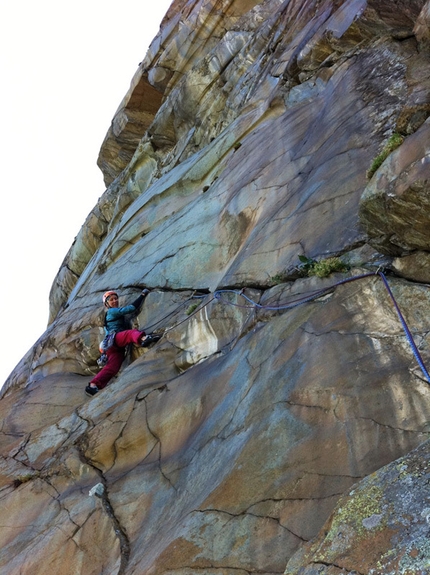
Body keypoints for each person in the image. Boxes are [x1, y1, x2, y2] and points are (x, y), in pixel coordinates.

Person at [85, 289, 160, 396]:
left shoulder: (109, 315)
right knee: (130, 334)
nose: (115, 301)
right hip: (115, 339)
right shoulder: (111, 311)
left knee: (113, 367)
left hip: (112, 347)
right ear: (107, 304)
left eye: (116, 298)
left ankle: (93, 385)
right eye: (111, 300)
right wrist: (142, 295)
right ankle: (144, 339)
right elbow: (131, 308)